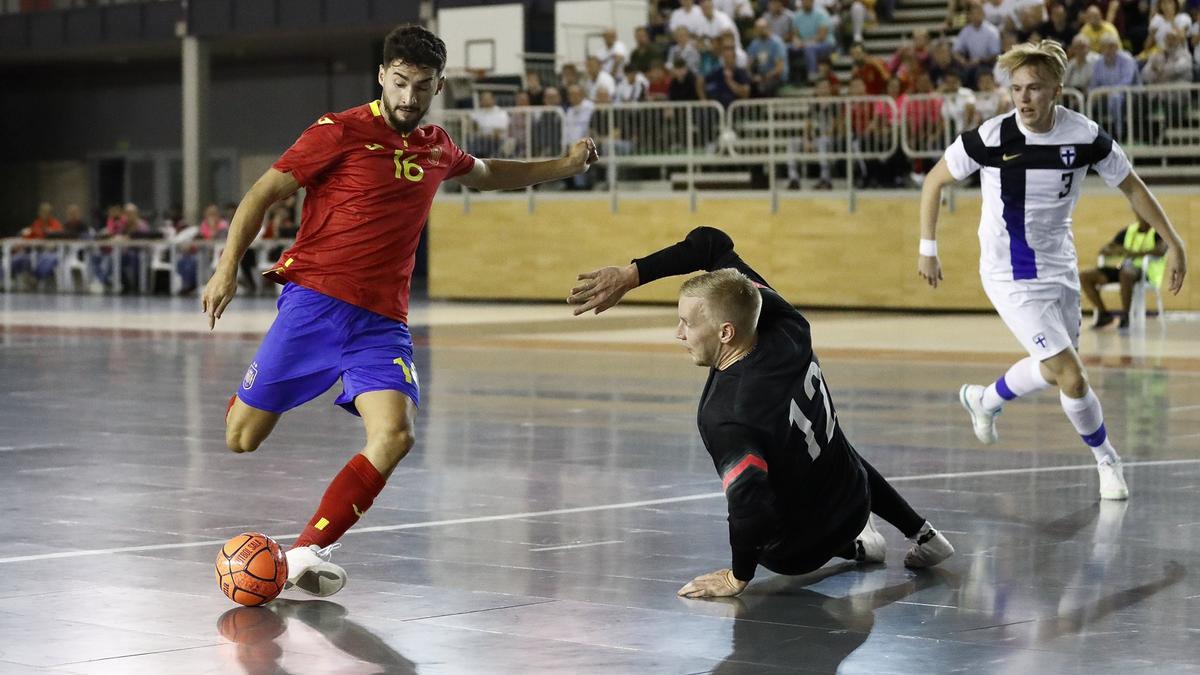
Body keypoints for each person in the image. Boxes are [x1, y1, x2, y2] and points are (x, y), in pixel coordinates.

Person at [202, 24, 598, 598]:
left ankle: (307, 551)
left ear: (440, 85)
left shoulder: (437, 145)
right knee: (241, 439)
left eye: (423, 86)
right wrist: (225, 267)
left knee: (395, 435)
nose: (410, 97)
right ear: (383, 76)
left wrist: (562, 166)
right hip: (314, 305)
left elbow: (489, 175)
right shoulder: (337, 132)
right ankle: (253, 390)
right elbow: (262, 193)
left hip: (382, 323)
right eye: (401, 83)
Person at [567, 227, 955, 598]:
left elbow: (749, 505)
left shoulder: (726, 413)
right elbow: (711, 245)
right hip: (856, 496)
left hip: (801, 551)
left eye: (686, 323)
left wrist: (738, 575)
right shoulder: (788, 322)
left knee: (769, 523)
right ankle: (923, 534)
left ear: (725, 333)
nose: (678, 334)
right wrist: (632, 274)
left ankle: (857, 551)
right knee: (826, 439)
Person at [916, 40, 1188, 501]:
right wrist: (928, 247)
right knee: (1072, 374)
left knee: (1052, 370)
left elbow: (1133, 187)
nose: (1023, 98)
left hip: (1059, 267)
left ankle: (985, 400)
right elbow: (934, 180)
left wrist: (1175, 241)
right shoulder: (992, 136)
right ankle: (1107, 461)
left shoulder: (1084, 135)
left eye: (1034, 88)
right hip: (1009, 272)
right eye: (1016, 88)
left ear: (1056, 90)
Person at [1079, 216, 1168, 328]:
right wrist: (1117, 251)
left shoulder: (1158, 232)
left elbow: (1161, 250)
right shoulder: (1129, 231)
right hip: (1124, 268)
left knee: (1126, 273)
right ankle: (1104, 315)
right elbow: (1105, 250)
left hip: (1146, 273)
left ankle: (1126, 316)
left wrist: (1133, 253)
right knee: (1085, 276)